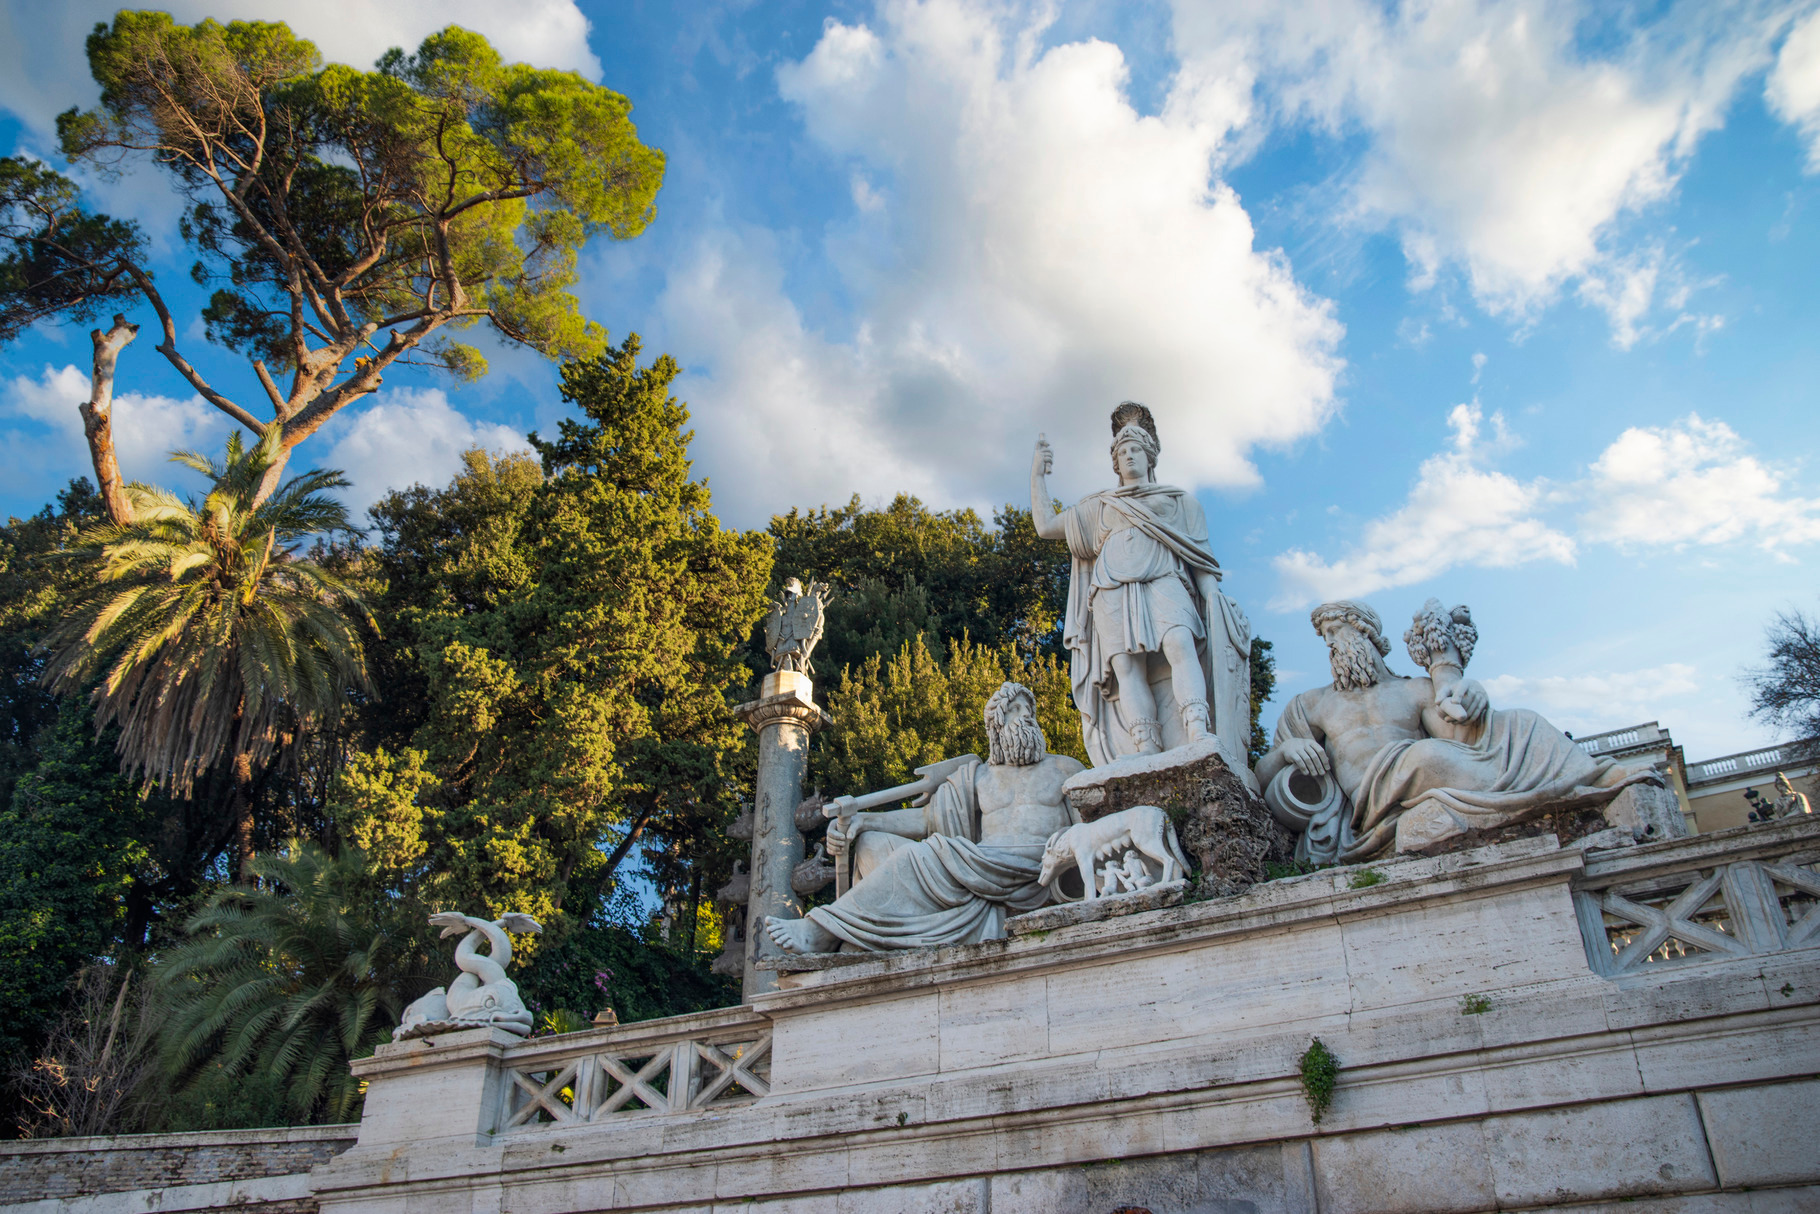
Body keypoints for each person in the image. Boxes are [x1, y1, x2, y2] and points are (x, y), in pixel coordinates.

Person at [1255, 599, 1654, 859]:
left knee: (1523, 720)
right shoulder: (1311, 703)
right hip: (1372, 799)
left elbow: (1460, 739)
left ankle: (1591, 777)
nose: (1328, 644)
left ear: (1365, 633)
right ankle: (1555, 787)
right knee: (1424, 756)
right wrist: (1286, 751)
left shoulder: (1414, 689)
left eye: (1334, 632)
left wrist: (1470, 694)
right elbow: (1263, 775)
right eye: (1324, 636)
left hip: (1425, 771)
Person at [764, 682, 1083, 952]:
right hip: (981, 864)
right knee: (871, 844)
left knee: (922, 854)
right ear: (996, 724)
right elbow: (927, 820)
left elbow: (1089, 826)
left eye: (1029, 709)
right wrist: (864, 821)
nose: (1026, 715)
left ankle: (821, 930)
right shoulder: (977, 777)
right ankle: (859, 936)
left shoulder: (1063, 768)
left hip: (1040, 866)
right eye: (1015, 708)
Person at [1030, 402, 1252, 770]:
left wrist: (1213, 599)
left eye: (1135, 449)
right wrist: (1038, 475)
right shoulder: (1101, 506)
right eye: (1121, 452)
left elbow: (1200, 557)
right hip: (1111, 588)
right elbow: (1045, 526)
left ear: (1150, 456)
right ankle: (1146, 743)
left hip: (1165, 578)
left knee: (1180, 643)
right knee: (1126, 666)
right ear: (1115, 464)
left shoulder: (1180, 502)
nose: (1129, 456)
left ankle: (1197, 729)